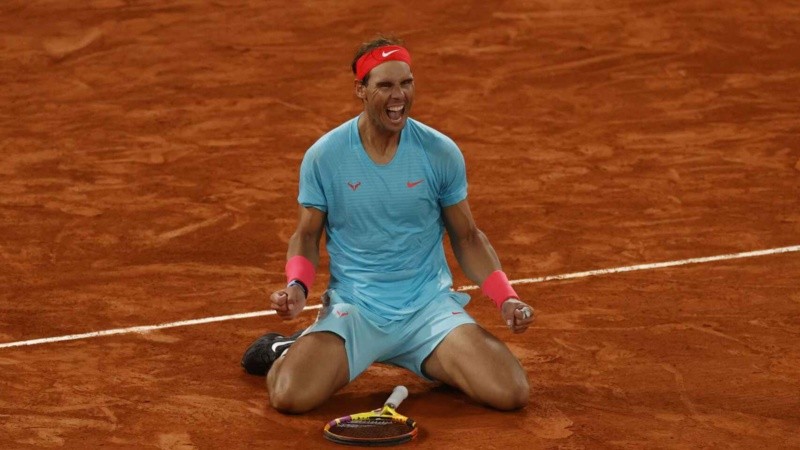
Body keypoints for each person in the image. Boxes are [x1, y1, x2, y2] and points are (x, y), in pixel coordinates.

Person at [242, 35, 534, 414]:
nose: (399, 96)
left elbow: (467, 236)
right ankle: (292, 345)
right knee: (288, 396)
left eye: (406, 83)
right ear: (360, 90)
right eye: (385, 85)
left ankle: (425, 356)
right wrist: (297, 286)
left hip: (428, 310)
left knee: (511, 392)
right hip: (357, 310)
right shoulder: (325, 156)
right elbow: (307, 234)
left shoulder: (439, 152)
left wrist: (505, 296)